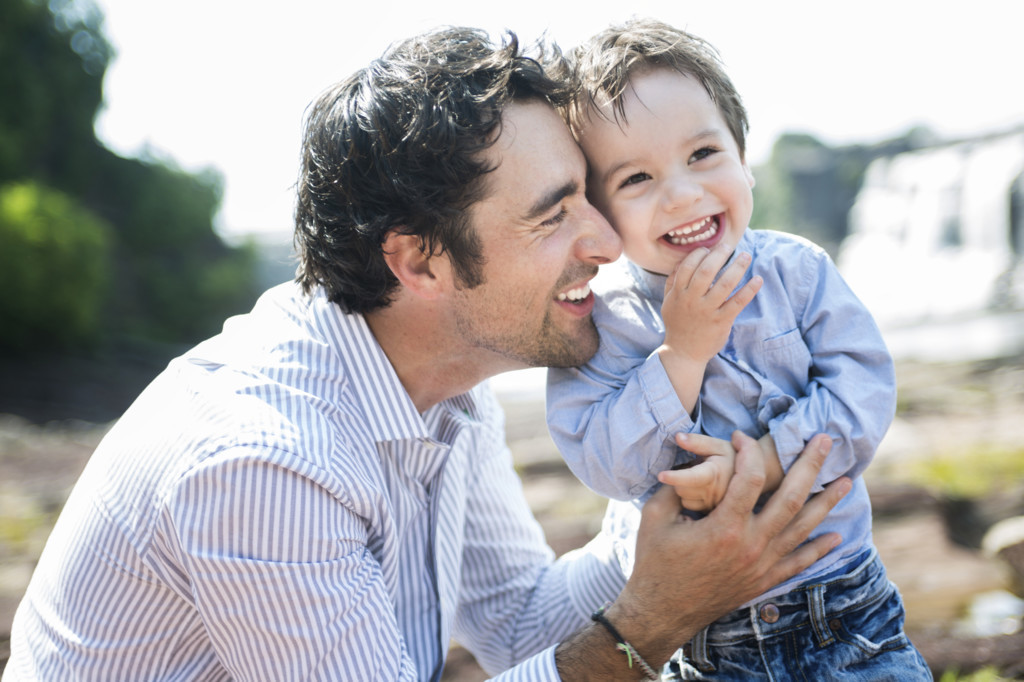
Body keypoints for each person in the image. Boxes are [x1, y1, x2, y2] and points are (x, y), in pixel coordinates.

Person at [4, 27, 851, 682]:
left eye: (592, 197)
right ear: (419, 262)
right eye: (555, 214)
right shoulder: (263, 464)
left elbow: (519, 620)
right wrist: (653, 620)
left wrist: (675, 520)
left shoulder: (443, 383)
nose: (604, 241)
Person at [545, 18, 931, 680]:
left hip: (843, 607)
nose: (684, 193)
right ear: (600, 213)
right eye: (636, 179)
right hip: (708, 641)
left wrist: (763, 462)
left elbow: (863, 390)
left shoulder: (799, 272)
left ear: (743, 156)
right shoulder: (604, 329)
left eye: (703, 155)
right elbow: (608, 462)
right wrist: (682, 355)